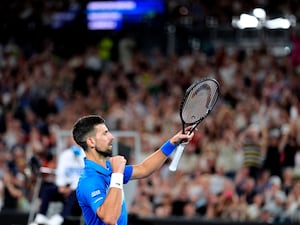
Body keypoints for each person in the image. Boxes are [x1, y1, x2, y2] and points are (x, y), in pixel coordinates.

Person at [72, 115, 194, 225]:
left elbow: (144, 169)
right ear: (91, 142)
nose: (111, 137)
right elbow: (110, 218)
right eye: (105, 133)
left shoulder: (109, 168)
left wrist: (172, 143)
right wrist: (118, 174)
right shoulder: (89, 181)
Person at [30, 141, 85, 225]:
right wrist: (61, 186)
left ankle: (60, 218)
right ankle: (41, 216)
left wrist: (71, 189)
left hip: (77, 190)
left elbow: (84, 176)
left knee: (75, 194)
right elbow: (61, 171)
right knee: (47, 190)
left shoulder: (85, 155)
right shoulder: (65, 155)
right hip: (64, 187)